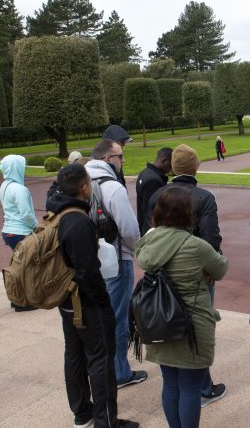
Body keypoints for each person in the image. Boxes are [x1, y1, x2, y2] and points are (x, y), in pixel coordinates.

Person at [47, 164, 139, 428]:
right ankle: (106, 420)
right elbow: (88, 272)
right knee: (100, 358)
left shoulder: (57, 213)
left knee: (74, 354)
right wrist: (103, 304)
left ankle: (82, 411)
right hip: (85, 302)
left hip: (68, 298)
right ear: (84, 188)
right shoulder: (77, 220)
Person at [135, 187, 228, 428]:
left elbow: (143, 258)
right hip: (192, 323)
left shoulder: (148, 241)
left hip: (160, 321)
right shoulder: (196, 245)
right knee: (190, 387)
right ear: (187, 213)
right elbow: (221, 268)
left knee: (171, 383)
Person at [146, 144, 226, 407]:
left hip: (160, 275)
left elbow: (150, 235)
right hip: (195, 274)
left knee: (170, 367)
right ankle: (201, 386)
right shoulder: (204, 197)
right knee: (197, 331)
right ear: (195, 167)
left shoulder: (156, 193)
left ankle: (196, 384)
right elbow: (211, 239)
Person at [86, 140, 146, 389]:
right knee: (118, 317)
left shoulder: (81, 181)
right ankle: (119, 372)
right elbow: (130, 229)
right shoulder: (114, 188)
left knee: (99, 317)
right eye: (121, 157)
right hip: (116, 259)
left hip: (89, 259)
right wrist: (140, 251)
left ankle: (102, 367)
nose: (123, 161)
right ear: (109, 159)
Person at [0, 155, 39, 312]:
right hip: (21, 231)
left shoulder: (5, 185)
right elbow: (26, 214)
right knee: (26, 268)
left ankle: (16, 298)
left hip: (9, 230)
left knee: (19, 267)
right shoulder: (20, 189)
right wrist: (37, 227)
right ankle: (23, 302)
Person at [136, 148, 173, 236]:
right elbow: (152, 211)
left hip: (145, 227)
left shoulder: (145, 173)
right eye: (170, 165)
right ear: (164, 161)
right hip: (151, 232)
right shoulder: (153, 180)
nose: (171, 169)